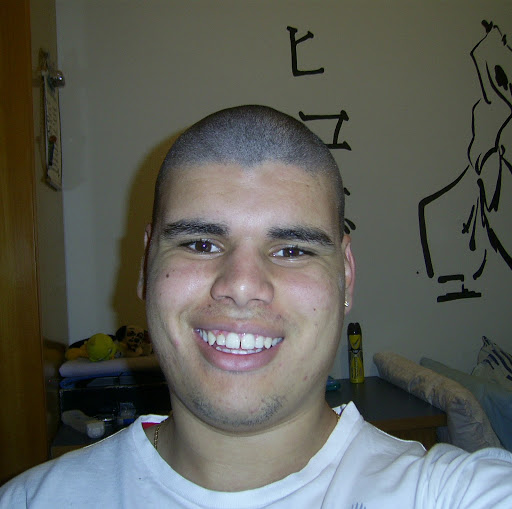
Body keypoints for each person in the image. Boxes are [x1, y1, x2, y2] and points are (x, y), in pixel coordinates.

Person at [1, 105, 511, 508]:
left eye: (292, 250)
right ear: (145, 266)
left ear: (346, 276)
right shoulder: (31, 501)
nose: (242, 286)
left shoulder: (450, 495)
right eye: (200, 243)